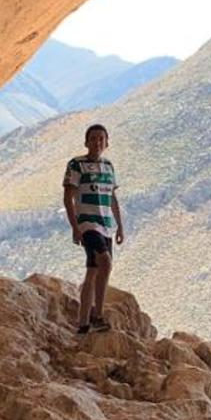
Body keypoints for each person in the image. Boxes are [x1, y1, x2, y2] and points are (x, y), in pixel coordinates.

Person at [62, 124, 124, 334]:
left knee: (93, 271)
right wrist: (75, 226)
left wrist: (119, 226)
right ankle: (97, 315)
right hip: (88, 224)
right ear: (86, 142)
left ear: (107, 143)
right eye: (93, 138)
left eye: (101, 139)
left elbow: (112, 198)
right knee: (105, 262)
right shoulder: (76, 165)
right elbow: (68, 197)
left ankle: (83, 323)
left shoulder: (109, 167)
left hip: (106, 225)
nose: (97, 142)